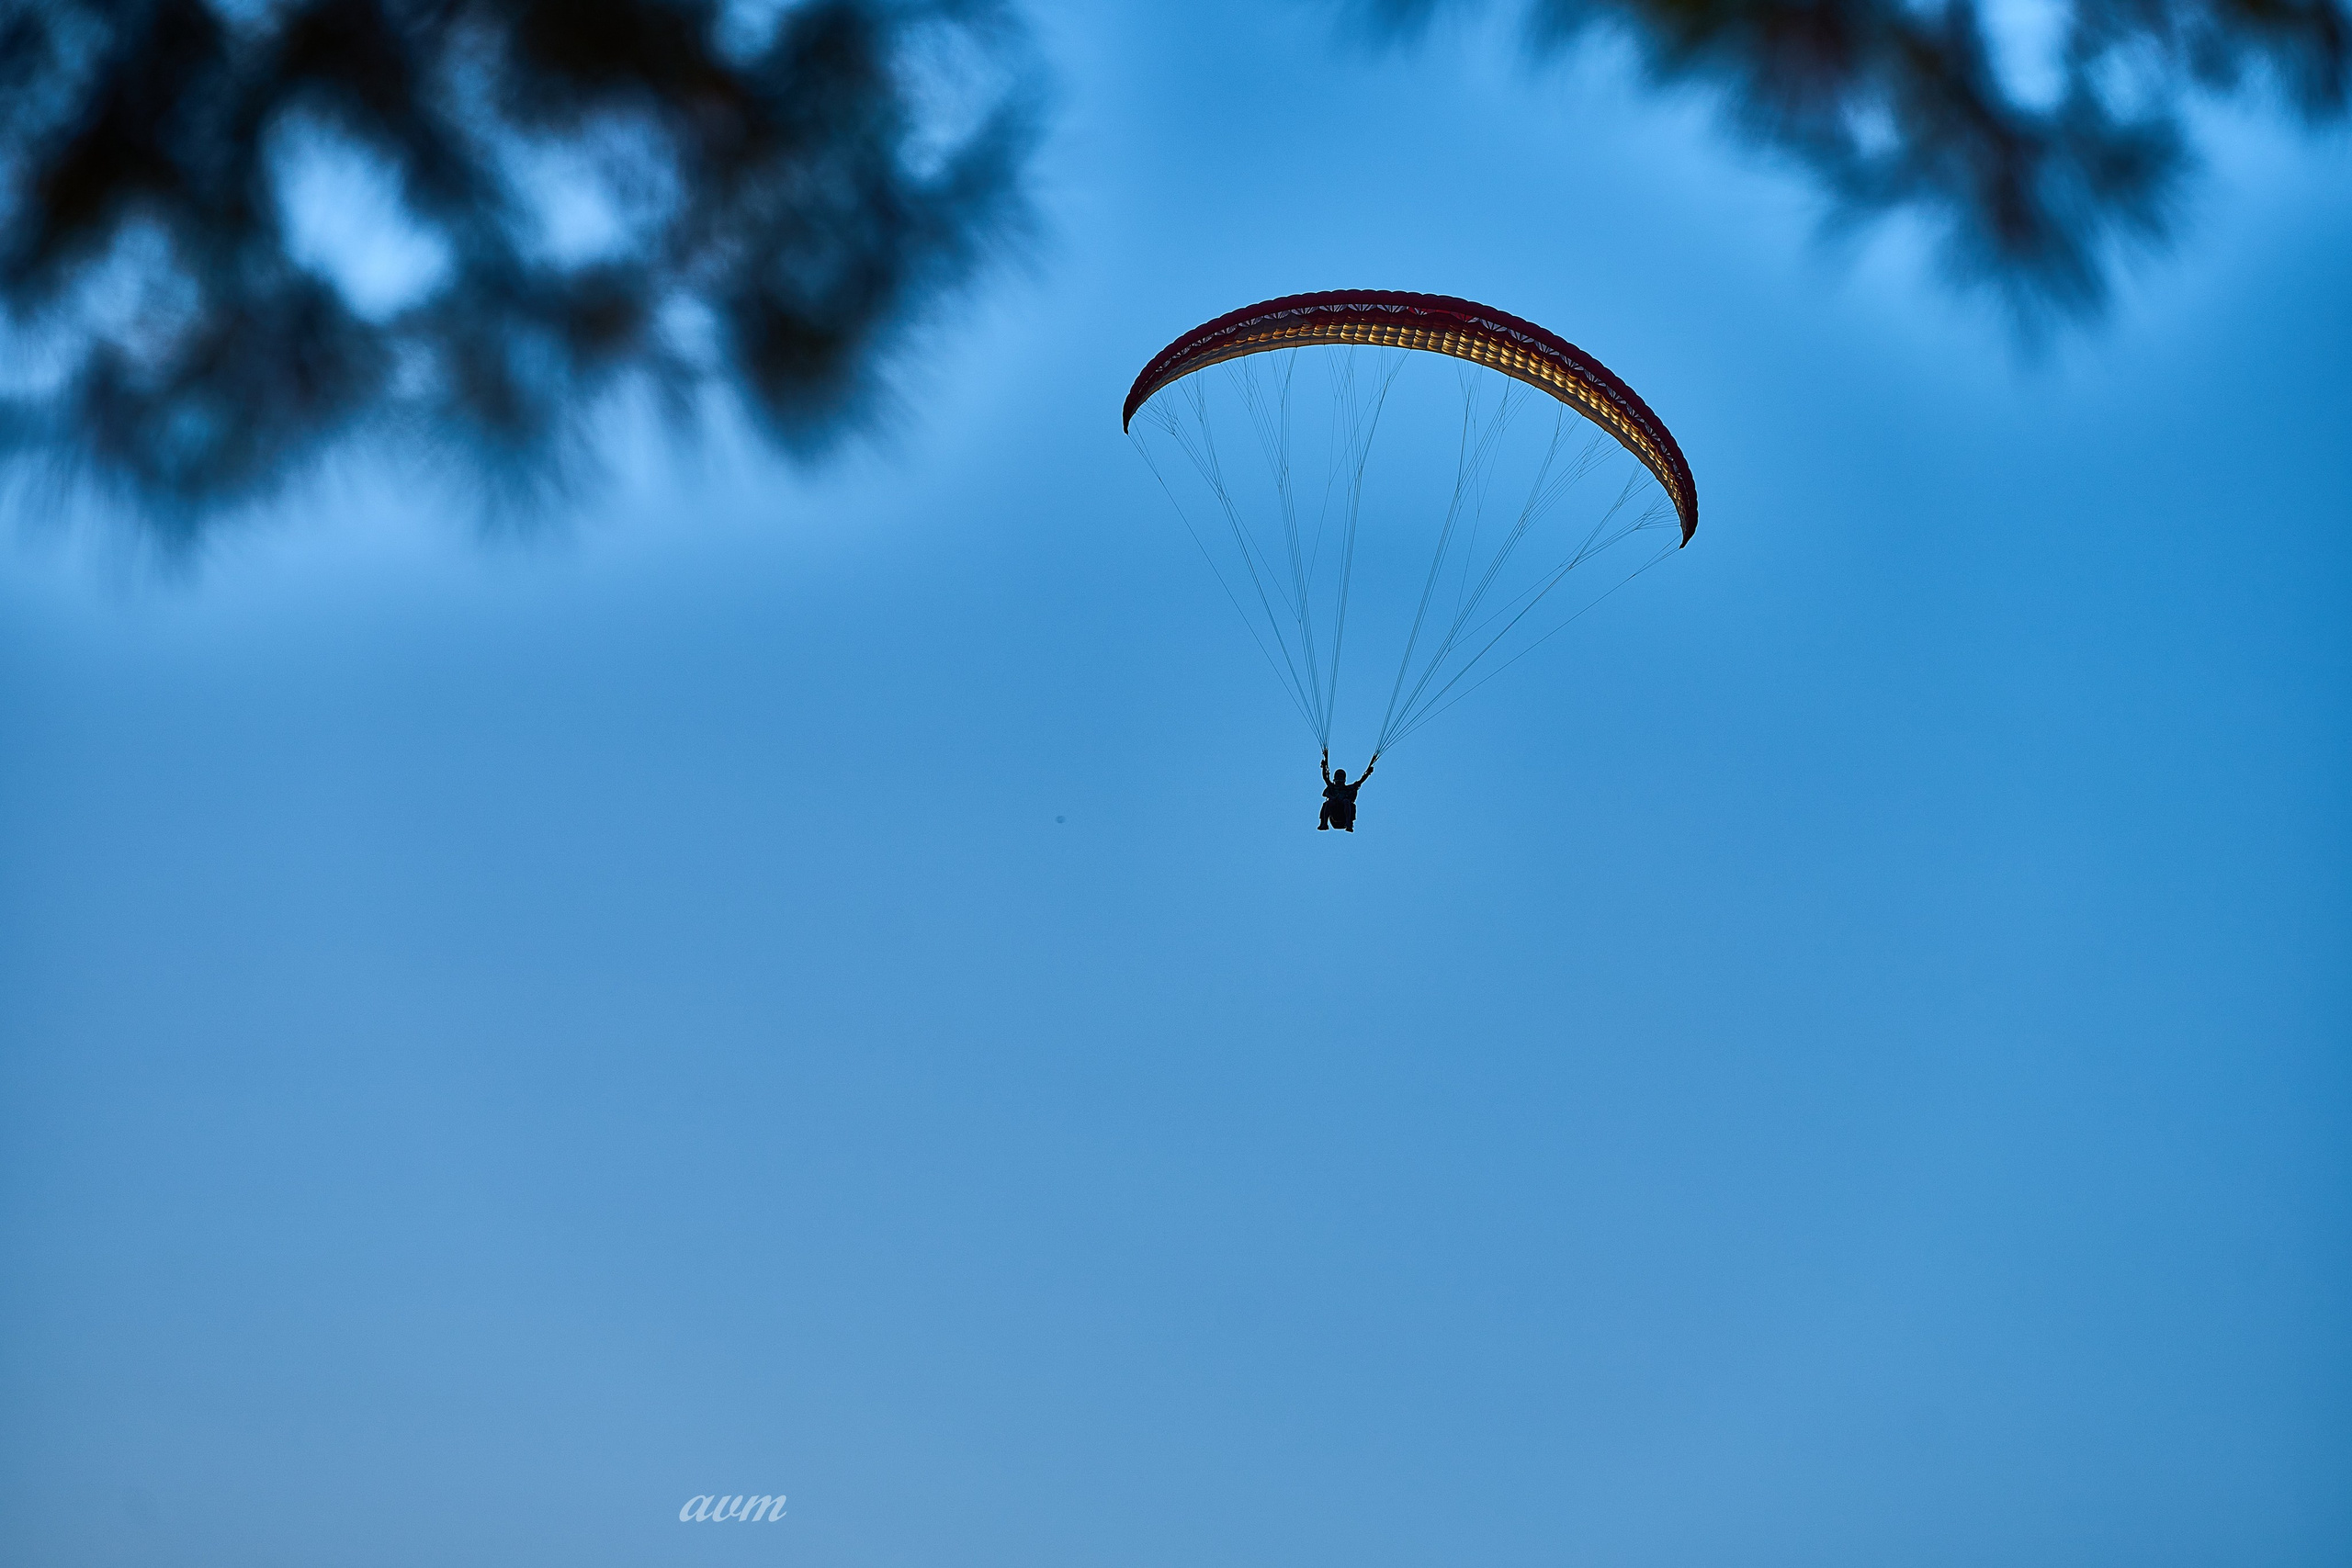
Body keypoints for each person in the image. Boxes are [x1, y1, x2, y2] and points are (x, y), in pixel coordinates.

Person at [1318, 748, 1375, 831]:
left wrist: (1368, 773)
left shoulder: (1348, 789)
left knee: (1346, 801)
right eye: (1338, 777)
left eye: (1341, 777)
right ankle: (1324, 823)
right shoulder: (1331, 787)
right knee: (1328, 802)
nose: (1339, 779)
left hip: (1343, 815)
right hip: (1334, 814)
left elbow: (1360, 781)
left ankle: (1348, 823)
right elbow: (1325, 778)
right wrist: (1324, 767)